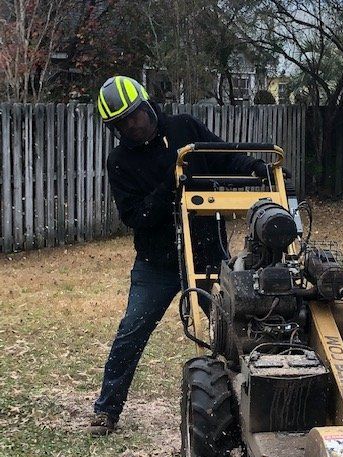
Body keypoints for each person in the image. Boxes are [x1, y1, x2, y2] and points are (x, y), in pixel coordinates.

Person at [89, 76, 270, 436]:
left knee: (233, 324)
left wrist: (255, 168)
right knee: (132, 330)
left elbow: (223, 156)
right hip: (158, 263)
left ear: (146, 105)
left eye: (134, 115)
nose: (131, 125)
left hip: (205, 252)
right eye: (120, 123)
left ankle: (257, 398)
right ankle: (106, 409)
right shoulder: (120, 161)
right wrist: (169, 188)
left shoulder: (183, 127)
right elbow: (133, 215)